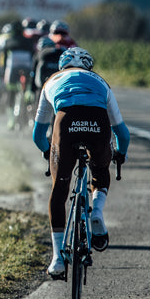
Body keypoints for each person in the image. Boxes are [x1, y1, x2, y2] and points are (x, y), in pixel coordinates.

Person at [32, 46, 130, 278]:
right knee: (100, 170)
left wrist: (49, 152)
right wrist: (120, 154)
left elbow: (38, 135)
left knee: (60, 189)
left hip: (66, 123)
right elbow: (122, 134)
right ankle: (96, 211)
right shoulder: (101, 82)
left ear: (61, 66)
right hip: (98, 123)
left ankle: (57, 259)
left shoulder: (51, 81)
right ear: (89, 66)